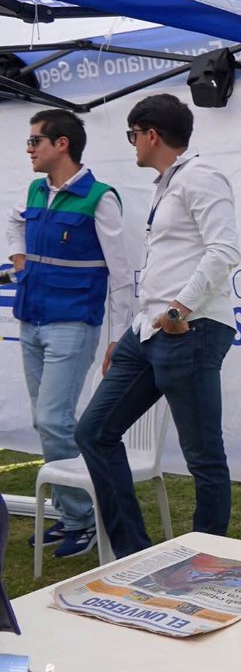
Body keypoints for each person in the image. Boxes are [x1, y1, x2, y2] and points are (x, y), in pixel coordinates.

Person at [76, 93, 240, 559]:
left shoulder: (202, 177)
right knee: (94, 431)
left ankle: (204, 560)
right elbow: (161, 266)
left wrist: (177, 312)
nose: (132, 145)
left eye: (133, 135)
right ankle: (135, 555)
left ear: (151, 134)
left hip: (190, 329)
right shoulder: (166, 185)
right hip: (147, 333)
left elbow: (223, 251)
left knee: (204, 457)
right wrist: (129, 331)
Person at [6, 109, 142, 559]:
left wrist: (119, 337)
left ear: (61, 144)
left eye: (35, 142)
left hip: (72, 324)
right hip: (31, 321)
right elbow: (16, 222)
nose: (29, 150)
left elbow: (122, 275)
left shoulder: (100, 198)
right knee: (47, 421)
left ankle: (83, 518)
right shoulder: (35, 190)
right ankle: (71, 514)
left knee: (52, 420)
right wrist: (19, 259)